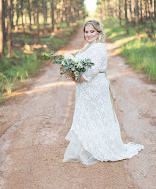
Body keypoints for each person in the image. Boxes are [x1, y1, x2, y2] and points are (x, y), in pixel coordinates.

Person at [62, 20, 144, 166]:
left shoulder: (99, 47)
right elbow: (78, 64)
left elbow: (93, 69)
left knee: (98, 116)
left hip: (94, 86)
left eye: (91, 32)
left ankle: (102, 147)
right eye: (86, 32)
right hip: (84, 88)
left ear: (98, 33)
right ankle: (88, 148)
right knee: (87, 116)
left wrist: (80, 77)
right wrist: (70, 72)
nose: (88, 34)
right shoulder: (88, 46)